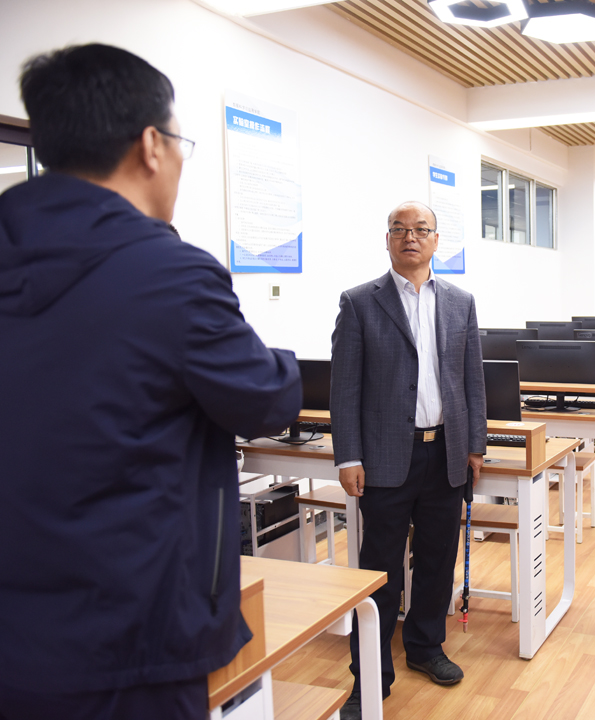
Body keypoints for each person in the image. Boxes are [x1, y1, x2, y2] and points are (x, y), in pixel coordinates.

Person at [0, 44, 301, 719]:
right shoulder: (171, 274)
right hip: (129, 634)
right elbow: (265, 401)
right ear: (150, 146)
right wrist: (279, 359)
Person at [330, 201, 486, 718]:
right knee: (379, 572)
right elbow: (344, 388)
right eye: (399, 229)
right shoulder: (359, 302)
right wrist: (348, 456)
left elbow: (472, 380)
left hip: (445, 453)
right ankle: (369, 677)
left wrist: (475, 445)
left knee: (438, 560)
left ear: (436, 240)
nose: (410, 237)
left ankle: (425, 647)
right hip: (384, 457)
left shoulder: (460, 302)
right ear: (388, 239)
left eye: (421, 229)